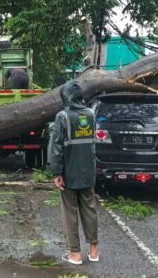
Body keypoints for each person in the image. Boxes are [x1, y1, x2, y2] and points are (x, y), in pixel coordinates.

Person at [50, 80, 99, 266]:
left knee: (70, 212)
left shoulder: (62, 117)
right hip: (88, 171)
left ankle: (75, 254)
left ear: (66, 97)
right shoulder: (91, 114)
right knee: (90, 209)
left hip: (69, 173)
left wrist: (56, 172)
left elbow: (56, 148)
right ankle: (94, 250)